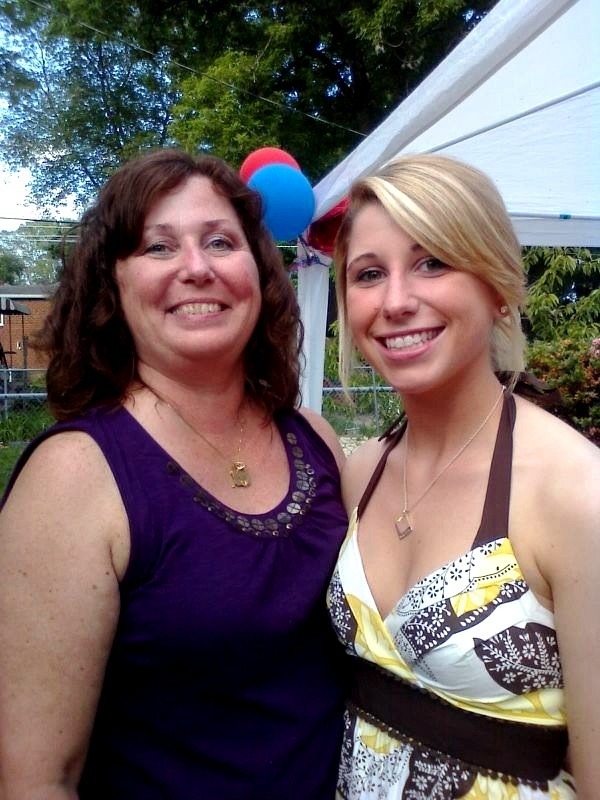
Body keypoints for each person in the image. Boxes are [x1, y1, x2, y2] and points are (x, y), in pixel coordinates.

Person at [0, 149, 349, 799]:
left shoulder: (315, 440)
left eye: (220, 242)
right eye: (158, 247)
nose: (196, 267)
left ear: (259, 271)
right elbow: (36, 779)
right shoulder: (74, 476)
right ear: (113, 286)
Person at [327, 154, 600, 799]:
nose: (396, 301)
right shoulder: (361, 472)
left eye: (433, 263)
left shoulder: (574, 494)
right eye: (370, 274)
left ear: (497, 286)